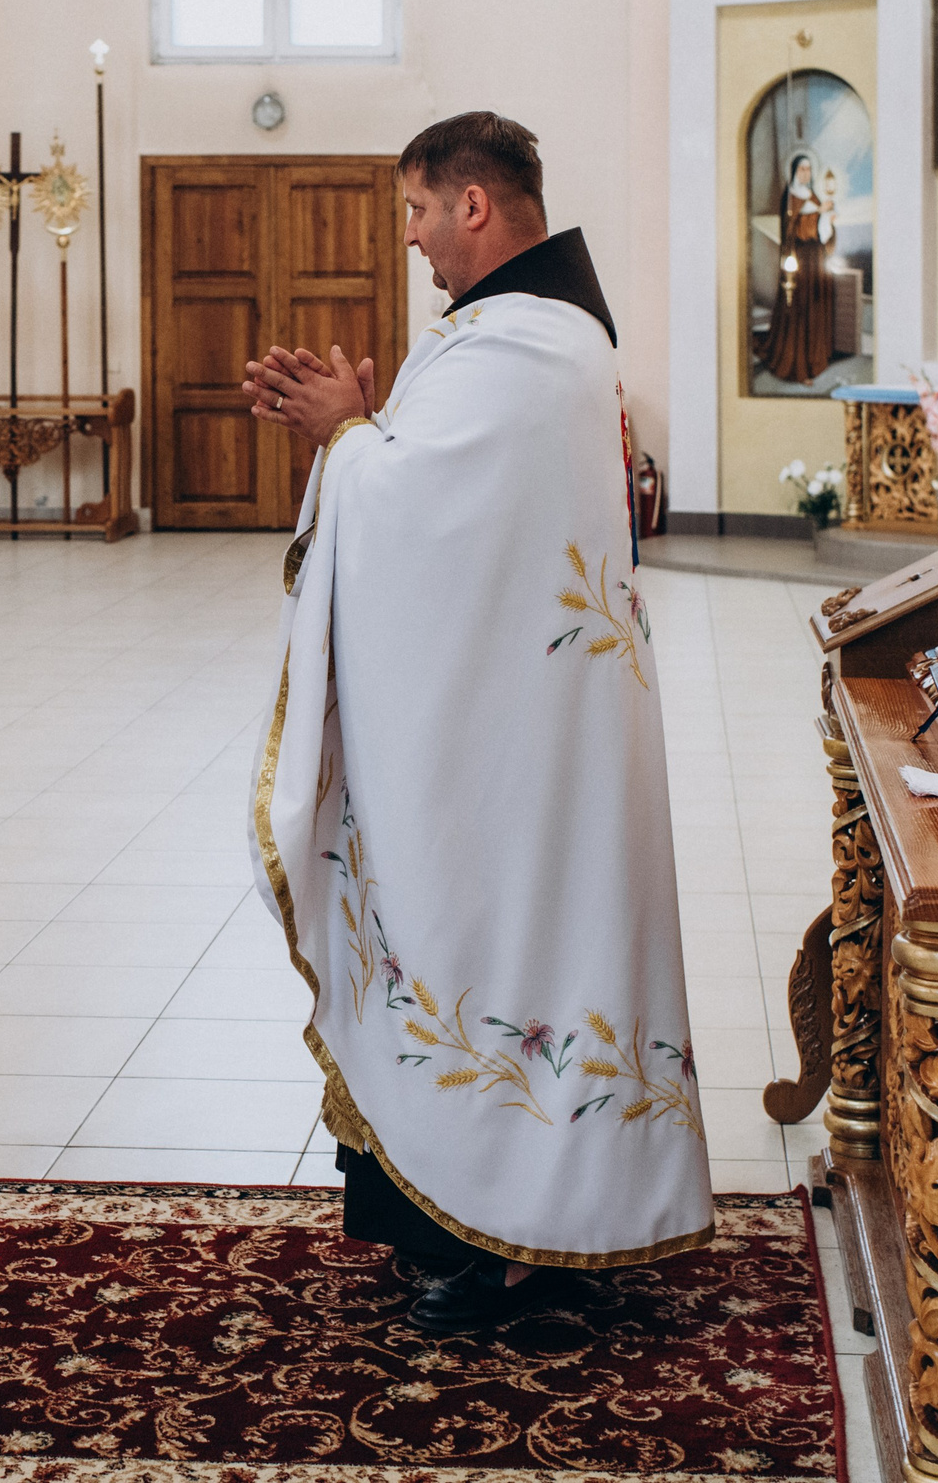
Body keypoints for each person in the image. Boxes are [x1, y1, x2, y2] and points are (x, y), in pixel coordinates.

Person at [240, 111, 712, 1336]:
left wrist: (347, 436)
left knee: (509, 941)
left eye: (415, 210)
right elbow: (439, 499)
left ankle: (523, 1247)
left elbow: (416, 508)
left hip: (517, 745)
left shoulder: (523, 345)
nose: (408, 238)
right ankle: (496, 1228)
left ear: (473, 205)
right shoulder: (526, 332)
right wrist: (360, 432)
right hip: (523, 723)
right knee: (515, 943)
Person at [760, 152, 836, 386]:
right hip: (799, 260)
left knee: (816, 307)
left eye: (809, 169)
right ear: (794, 171)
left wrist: (827, 220)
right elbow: (793, 227)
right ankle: (799, 367)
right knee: (800, 309)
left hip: (816, 259)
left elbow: (819, 229)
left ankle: (816, 360)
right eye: (802, 169)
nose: (806, 173)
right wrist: (818, 213)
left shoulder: (812, 195)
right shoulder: (790, 196)